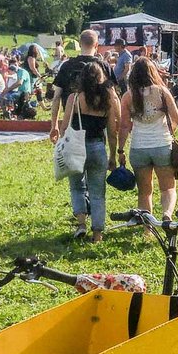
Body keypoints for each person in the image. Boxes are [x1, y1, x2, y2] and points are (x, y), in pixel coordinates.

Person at [59, 63, 119, 242]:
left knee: (77, 187)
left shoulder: (75, 98)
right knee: (98, 192)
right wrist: (113, 155)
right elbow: (112, 131)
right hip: (98, 147)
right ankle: (98, 233)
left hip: (77, 147)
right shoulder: (108, 99)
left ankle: (81, 224)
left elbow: (64, 127)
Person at [118, 57, 178, 221]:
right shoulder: (162, 91)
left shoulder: (127, 96)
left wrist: (120, 149)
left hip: (138, 148)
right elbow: (177, 118)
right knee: (168, 188)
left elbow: (124, 126)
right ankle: (166, 215)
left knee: (144, 192)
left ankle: (148, 227)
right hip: (162, 145)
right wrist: (169, 132)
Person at [50, 30, 113, 142]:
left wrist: (54, 125)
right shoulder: (104, 67)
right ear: (97, 45)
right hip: (97, 123)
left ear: (79, 43)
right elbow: (113, 98)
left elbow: (56, 97)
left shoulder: (66, 65)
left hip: (71, 120)